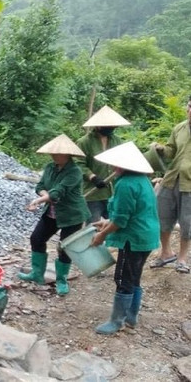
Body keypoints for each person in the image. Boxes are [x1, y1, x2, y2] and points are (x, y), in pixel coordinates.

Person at [89, 142, 158, 335]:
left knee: (123, 277)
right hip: (146, 236)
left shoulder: (126, 184)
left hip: (133, 238)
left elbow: (121, 220)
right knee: (134, 276)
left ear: (121, 165)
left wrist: (102, 235)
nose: (112, 168)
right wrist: (107, 222)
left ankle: (117, 321)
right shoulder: (142, 180)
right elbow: (131, 212)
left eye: (114, 164)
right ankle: (131, 317)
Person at [20, 134, 91, 296]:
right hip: (51, 212)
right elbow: (40, 186)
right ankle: (37, 274)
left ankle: (61, 280)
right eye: (52, 153)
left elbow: (58, 192)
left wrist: (38, 201)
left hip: (72, 214)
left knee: (65, 247)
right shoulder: (50, 167)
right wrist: (44, 195)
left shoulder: (74, 172)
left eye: (56, 153)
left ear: (67, 155)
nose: (53, 156)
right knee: (36, 239)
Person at [149, 97, 191, 272]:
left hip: (189, 184)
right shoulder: (179, 128)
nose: (190, 110)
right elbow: (171, 151)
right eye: (190, 106)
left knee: (187, 223)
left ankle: (182, 259)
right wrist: (160, 149)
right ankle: (165, 252)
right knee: (161, 216)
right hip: (171, 178)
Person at [76, 105, 130, 222]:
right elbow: (79, 164)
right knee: (93, 226)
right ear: (98, 125)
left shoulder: (118, 141)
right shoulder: (84, 142)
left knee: (115, 225)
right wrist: (93, 177)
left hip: (114, 192)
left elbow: (125, 160)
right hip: (93, 193)